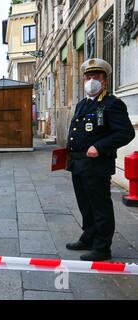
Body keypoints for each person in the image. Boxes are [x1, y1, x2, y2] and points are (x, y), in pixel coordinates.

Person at [66, 58, 135, 262]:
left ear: (104, 81)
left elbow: (126, 133)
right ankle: (88, 237)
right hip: (78, 164)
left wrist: (99, 146)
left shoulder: (112, 104)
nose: (91, 81)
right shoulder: (82, 104)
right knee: (85, 204)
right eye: (88, 77)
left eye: (96, 77)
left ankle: (102, 247)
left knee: (100, 206)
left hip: (97, 165)